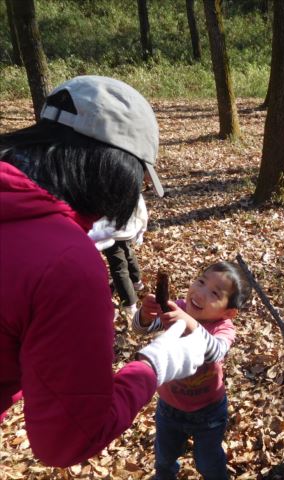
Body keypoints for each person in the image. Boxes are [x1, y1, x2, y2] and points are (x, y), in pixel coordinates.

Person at [0, 75, 209, 467]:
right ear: (114, 167)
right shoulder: (65, 265)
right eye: (139, 181)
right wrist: (155, 364)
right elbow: (65, 441)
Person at [132, 261, 252, 480]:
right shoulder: (178, 309)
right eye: (201, 281)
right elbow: (140, 329)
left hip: (209, 412)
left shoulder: (223, 328)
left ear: (229, 312)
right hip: (169, 407)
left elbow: (215, 352)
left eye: (215, 293)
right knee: (164, 458)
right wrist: (145, 315)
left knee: (208, 462)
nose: (200, 292)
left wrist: (190, 324)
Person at [89, 194, 148, 318]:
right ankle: (136, 280)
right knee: (128, 254)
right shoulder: (132, 184)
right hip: (129, 231)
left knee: (119, 268)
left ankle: (130, 303)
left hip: (111, 234)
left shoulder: (103, 187)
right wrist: (141, 229)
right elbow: (142, 210)